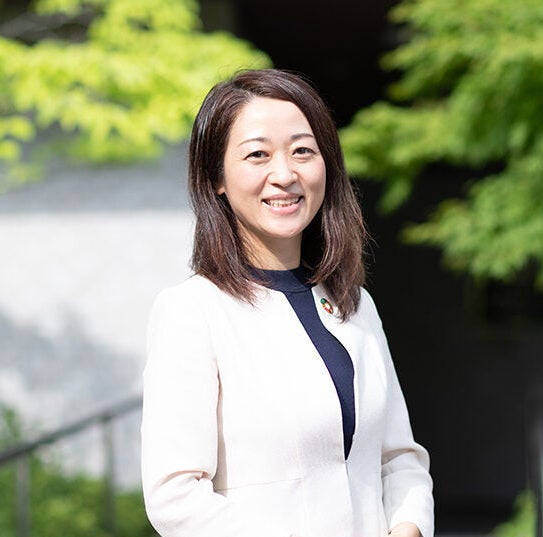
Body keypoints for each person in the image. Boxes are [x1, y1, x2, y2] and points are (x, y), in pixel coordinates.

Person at [141, 69, 434, 537]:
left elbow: (399, 458)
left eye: (303, 151)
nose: (284, 174)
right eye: (257, 154)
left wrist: (407, 527)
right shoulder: (193, 311)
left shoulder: (355, 305)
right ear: (216, 177)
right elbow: (175, 496)